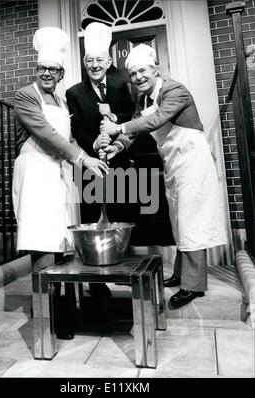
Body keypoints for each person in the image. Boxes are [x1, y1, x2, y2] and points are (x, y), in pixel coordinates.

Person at [99, 43, 228, 309]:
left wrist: (116, 127)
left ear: (156, 68)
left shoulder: (174, 90)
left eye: (143, 71)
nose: (138, 78)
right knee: (179, 218)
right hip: (173, 162)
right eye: (134, 74)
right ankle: (182, 274)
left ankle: (194, 286)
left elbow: (156, 120)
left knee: (192, 219)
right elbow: (134, 132)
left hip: (193, 160)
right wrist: (118, 145)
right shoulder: (143, 99)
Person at [12, 27, 108, 339]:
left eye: (53, 70)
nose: (47, 74)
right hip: (36, 171)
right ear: (36, 70)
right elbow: (46, 134)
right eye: (42, 69)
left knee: (63, 244)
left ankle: (65, 313)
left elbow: (67, 138)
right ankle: (45, 318)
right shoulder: (26, 96)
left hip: (58, 172)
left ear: (61, 72)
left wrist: (100, 146)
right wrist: (82, 160)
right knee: (42, 242)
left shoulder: (61, 100)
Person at [66, 22, 134, 299]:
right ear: (85, 63)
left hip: (121, 160)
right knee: (93, 217)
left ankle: (126, 271)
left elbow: (135, 118)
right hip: (91, 166)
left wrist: (115, 128)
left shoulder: (124, 84)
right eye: (89, 61)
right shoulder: (73, 93)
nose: (95, 65)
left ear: (108, 61)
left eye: (99, 60)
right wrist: (94, 144)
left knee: (124, 213)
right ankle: (96, 281)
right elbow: (77, 129)